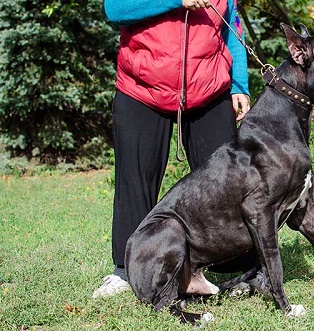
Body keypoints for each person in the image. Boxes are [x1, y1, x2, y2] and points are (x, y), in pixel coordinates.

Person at [93, 0, 251, 298]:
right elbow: (115, 9)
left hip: (210, 87)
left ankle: (235, 268)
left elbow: (231, 23)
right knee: (135, 181)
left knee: (227, 185)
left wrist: (239, 84)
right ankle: (126, 272)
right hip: (140, 87)